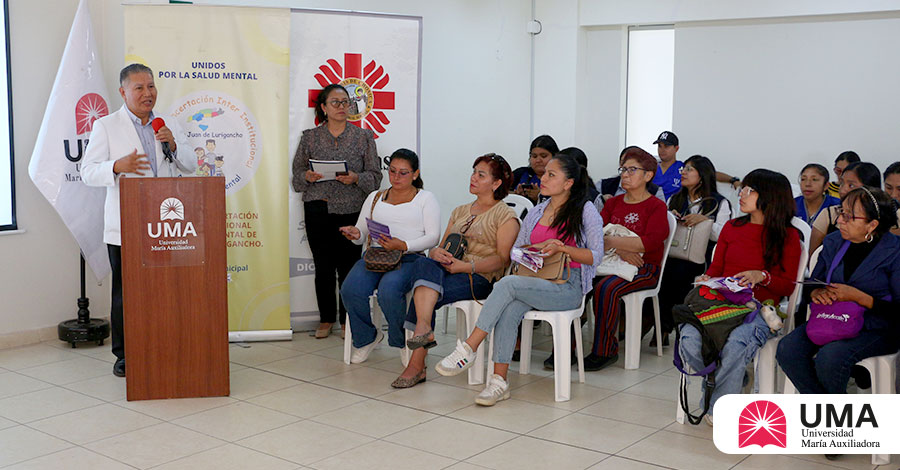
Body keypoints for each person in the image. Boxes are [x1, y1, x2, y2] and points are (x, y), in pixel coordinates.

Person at [434, 153, 603, 406]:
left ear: (568, 183)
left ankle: (469, 347)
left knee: (507, 284)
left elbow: (596, 256)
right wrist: (532, 253)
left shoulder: (586, 210)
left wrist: (562, 248)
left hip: (567, 286)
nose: (542, 178)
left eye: (551, 175)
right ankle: (499, 382)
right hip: (535, 279)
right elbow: (515, 252)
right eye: (544, 173)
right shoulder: (537, 211)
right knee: (509, 307)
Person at [81, 63, 198, 377]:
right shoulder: (107, 126)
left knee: (167, 290)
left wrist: (173, 144)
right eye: (139, 88)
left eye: (151, 86)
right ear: (123, 92)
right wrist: (117, 166)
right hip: (126, 227)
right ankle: (125, 354)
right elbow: (87, 172)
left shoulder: (168, 123)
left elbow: (190, 165)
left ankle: (167, 343)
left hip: (168, 226)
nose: (148, 93)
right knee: (126, 294)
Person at [678, 169, 802, 424]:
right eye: (742, 188)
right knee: (689, 340)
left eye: (750, 190)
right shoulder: (733, 228)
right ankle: (731, 377)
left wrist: (763, 276)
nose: (741, 194)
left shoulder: (787, 236)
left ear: (769, 197)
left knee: (736, 344)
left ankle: (719, 407)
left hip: (758, 310)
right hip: (719, 303)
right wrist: (706, 279)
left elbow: (788, 286)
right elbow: (715, 270)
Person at [391, 154, 519, 388]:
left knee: (425, 291)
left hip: (478, 277)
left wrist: (466, 266)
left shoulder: (505, 215)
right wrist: (436, 253)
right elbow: (441, 246)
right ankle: (424, 330)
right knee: (422, 263)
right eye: (473, 172)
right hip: (449, 269)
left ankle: (416, 363)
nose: (473, 178)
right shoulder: (461, 211)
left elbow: (501, 260)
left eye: (481, 175)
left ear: (496, 183)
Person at [777, 187, 900, 398]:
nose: (840, 221)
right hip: (833, 318)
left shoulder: (894, 251)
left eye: (849, 217)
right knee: (788, 349)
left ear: (872, 225)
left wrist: (860, 298)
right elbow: (812, 282)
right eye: (840, 213)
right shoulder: (834, 242)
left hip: (877, 328)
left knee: (831, 357)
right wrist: (816, 292)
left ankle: (830, 416)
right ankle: (828, 410)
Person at [292, 83, 382, 339]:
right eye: (336, 102)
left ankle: (347, 320)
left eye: (346, 103)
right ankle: (326, 319)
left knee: (349, 267)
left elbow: (375, 177)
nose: (342, 107)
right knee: (322, 265)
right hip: (317, 206)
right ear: (323, 107)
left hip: (351, 208)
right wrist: (307, 176)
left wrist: (355, 178)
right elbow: (297, 176)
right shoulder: (309, 137)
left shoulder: (364, 137)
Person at [339, 149, 440, 363]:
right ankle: (367, 338)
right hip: (375, 256)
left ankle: (400, 340)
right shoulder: (375, 197)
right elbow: (360, 233)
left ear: (415, 174)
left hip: (410, 258)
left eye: (403, 173)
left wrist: (404, 245)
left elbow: (433, 237)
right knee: (350, 289)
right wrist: (355, 234)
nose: (396, 177)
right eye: (392, 171)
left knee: (389, 291)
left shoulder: (425, 198)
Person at [587, 147, 670, 371]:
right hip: (612, 262)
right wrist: (621, 249)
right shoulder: (613, 203)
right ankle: (568, 347)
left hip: (644, 267)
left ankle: (604, 351)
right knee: (581, 281)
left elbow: (648, 243)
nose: (624, 174)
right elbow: (595, 235)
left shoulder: (656, 206)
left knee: (607, 287)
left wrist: (612, 242)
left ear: (648, 175)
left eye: (632, 170)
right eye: (623, 169)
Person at [656, 155, 732, 346]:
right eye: (684, 168)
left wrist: (706, 221)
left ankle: (685, 330)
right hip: (674, 253)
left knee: (686, 273)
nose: (683, 172)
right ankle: (663, 327)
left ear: (702, 175)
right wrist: (670, 220)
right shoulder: (675, 198)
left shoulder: (718, 202)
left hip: (703, 258)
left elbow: (724, 235)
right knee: (664, 273)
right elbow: (661, 232)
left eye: (689, 169)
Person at [810, 161, 881, 256]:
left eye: (851, 185)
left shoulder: (886, 220)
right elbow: (813, 257)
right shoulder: (830, 214)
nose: (843, 190)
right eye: (842, 183)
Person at [597, 146, 665, 205]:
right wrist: (602, 201)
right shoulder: (603, 185)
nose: (626, 173)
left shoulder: (656, 191)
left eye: (632, 169)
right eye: (624, 166)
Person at [510, 135, 559, 204]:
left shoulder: (561, 178)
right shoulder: (521, 173)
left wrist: (540, 197)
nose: (538, 160)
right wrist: (516, 196)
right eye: (534, 156)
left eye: (543, 156)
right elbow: (499, 191)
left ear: (555, 156)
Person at [651, 131, 684, 200]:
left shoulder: (683, 169)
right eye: (660, 146)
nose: (662, 150)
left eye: (666, 146)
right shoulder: (650, 168)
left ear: (676, 148)